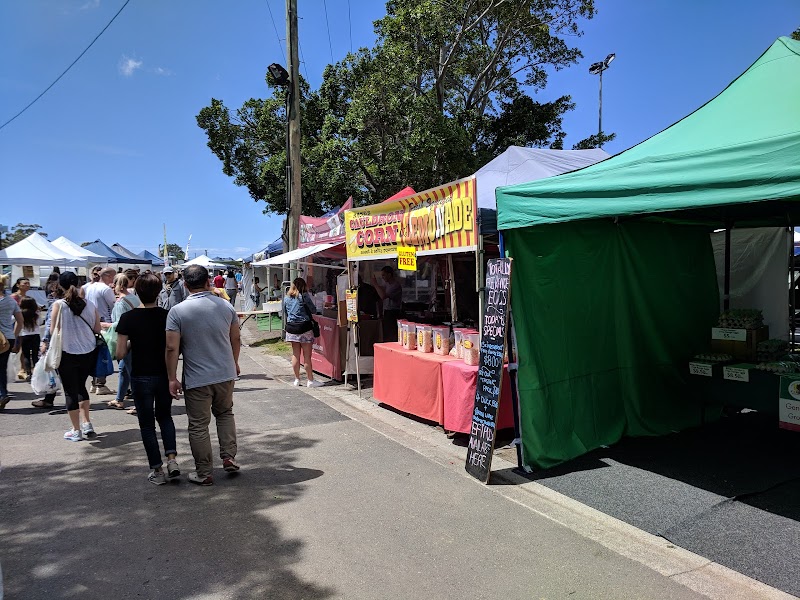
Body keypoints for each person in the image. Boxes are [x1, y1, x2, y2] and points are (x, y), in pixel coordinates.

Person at [166, 265, 241, 486]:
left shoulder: (177, 312)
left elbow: (171, 347)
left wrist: (172, 377)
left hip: (197, 377)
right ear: (208, 281)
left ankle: (204, 471)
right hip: (225, 372)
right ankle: (228, 456)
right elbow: (235, 339)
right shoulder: (226, 307)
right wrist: (234, 362)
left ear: (185, 285)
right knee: (225, 413)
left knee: (198, 425)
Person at [117, 272, 180, 485]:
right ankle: (172, 459)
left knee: (146, 425)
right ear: (158, 291)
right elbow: (174, 346)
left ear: (137, 292)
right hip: (164, 374)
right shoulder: (167, 316)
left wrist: (133, 342)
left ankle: (157, 470)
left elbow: (119, 353)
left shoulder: (128, 318)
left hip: (140, 375)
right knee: (165, 417)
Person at [51, 272, 100, 441]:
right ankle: (87, 424)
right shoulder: (90, 304)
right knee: (81, 387)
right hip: (88, 352)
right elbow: (97, 329)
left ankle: (76, 429)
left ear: (60, 285)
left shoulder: (59, 305)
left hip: (67, 353)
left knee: (70, 391)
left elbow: (53, 331)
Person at [106, 273, 141, 411]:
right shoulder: (134, 298)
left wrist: (106, 325)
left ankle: (139, 404)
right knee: (124, 369)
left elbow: (120, 324)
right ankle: (119, 399)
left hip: (127, 340)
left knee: (131, 372)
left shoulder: (121, 302)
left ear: (115, 285)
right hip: (137, 337)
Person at [283, 277, 323, 388]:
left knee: (295, 354)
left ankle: (296, 379)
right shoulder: (304, 297)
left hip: (291, 328)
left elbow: (285, 312)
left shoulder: (286, 298)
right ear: (303, 286)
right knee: (307, 356)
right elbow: (313, 310)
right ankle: (310, 380)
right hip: (304, 328)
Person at [84, 266, 116, 395]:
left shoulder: (87, 287)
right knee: (103, 355)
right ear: (108, 276)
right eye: (113, 276)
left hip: (90, 323)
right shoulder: (106, 289)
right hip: (104, 324)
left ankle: (94, 382)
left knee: (94, 353)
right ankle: (100, 384)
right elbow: (114, 305)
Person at [31, 279, 63, 409]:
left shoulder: (56, 304)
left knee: (53, 368)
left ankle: (49, 399)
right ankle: (76, 398)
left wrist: (45, 341)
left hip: (56, 342)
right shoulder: (76, 302)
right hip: (72, 343)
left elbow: (51, 325)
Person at [0, 275, 23, 409]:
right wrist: (13, 336)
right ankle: (2, 394)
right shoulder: (10, 301)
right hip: (8, 337)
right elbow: (20, 321)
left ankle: (2, 394)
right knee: (2, 368)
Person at [374, 266, 403, 342]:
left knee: (392, 333)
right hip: (386, 311)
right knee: (386, 332)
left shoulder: (395, 285)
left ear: (389, 275)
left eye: (384, 275)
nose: (382, 277)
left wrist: (375, 284)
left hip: (393, 312)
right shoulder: (387, 284)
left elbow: (383, 296)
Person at [18, 298, 41, 381]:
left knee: (26, 355)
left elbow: (14, 320)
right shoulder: (36, 313)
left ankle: (28, 373)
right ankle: (37, 372)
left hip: (25, 335)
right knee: (35, 355)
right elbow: (40, 322)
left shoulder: (21, 313)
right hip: (35, 335)